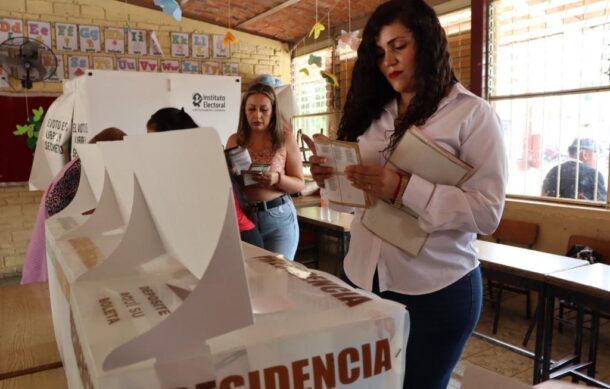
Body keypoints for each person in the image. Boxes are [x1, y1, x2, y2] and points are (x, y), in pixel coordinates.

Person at [309, 1, 507, 388]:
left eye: (399, 46)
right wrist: (331, 176)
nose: (388, 61)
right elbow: (360, 193)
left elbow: (487, 213)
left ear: (428, 41)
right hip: (362, 275)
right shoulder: (375, 112)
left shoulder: (472, 115)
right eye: (380, 52)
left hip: (436, 288)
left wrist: (402, 188)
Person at [21, 127, 127, 284]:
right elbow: (59, 210)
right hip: (52, 253)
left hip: (53, 246)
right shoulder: (78, 172)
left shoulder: (80, 165)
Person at [147, 107, 263, 247]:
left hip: (240, 237)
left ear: (173, 137)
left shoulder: (201, 163)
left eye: (154, 140)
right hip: (224, 236)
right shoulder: (186, 162)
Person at [226, 83, 305, 260]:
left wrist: (277, 178)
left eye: (264, 109)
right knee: (251, 277)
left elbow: (299, 183)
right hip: (245, 218)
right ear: (244, 111)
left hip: (279, 218)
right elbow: (228, 185)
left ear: (273, 110)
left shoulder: (285, 138)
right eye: (251, 109)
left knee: (279, 276)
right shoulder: (234, 140)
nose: (257, 115)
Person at [541, 138, 607, 202]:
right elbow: (601, 206)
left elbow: (543, 198)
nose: (598, 159)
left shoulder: (553, 171)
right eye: (597, 154)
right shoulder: (594, 175)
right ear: (585, 154)